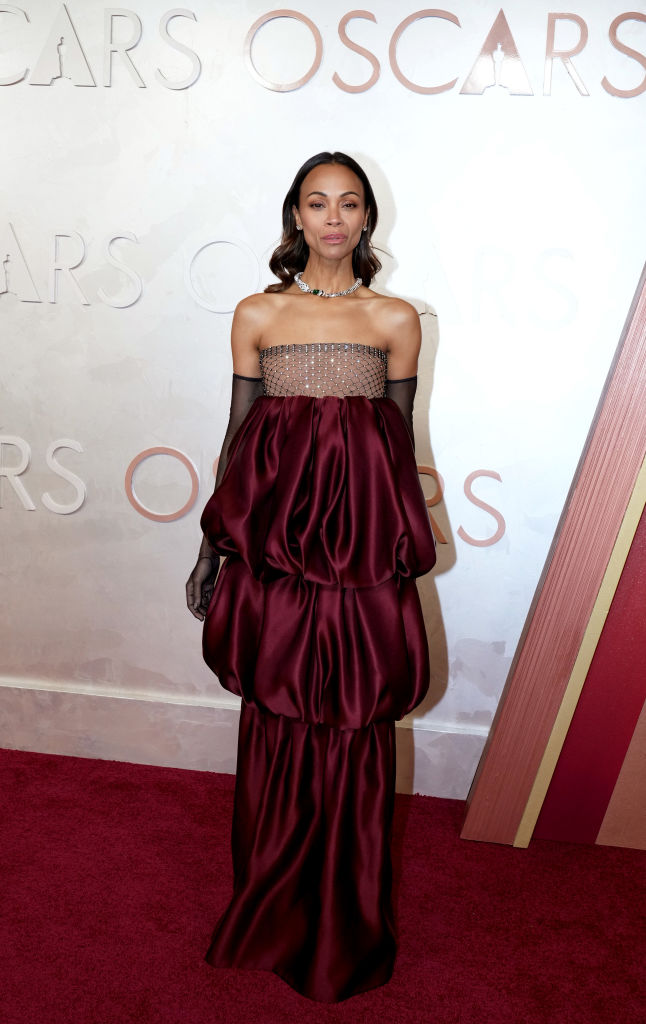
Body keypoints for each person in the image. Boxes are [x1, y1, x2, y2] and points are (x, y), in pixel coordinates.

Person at [186, 151, 436, 1003]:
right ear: (296, 215)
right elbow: (237, 436)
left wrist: (396, 551)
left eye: (349, 203)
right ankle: (271, 901)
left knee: (356, 720)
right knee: (279, 713)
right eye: (317, 203)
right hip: (278, 559)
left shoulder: (396, 319)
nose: (333, 218)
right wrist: (211, 547)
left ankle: (348, 917)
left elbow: (396, 447)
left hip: (359, 564)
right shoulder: (257, 313)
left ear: (367, 218)